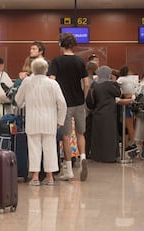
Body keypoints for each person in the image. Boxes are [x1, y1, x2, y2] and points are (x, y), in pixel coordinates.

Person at [14, 58, 67, 185]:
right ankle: (49, 177)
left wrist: (24, 104)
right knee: (50, 148)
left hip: (32, 121)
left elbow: (18, 100)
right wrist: (60, 120)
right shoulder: (53, 83)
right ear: (46, 70)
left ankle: (35, 177)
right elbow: (62, 103)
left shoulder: (26, 82)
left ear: (32, 69)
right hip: (50, 121)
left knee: (34, 148)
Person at [49, 32, 89, 181]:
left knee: (66, 136)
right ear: (74, 46)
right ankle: (83, 157)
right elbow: (86, 83)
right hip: (79, 102)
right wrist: (83, 98)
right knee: (80, 133)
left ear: (61, 44)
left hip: (64, 104)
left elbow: (52, 81)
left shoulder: (56, 61)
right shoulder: (79, 61)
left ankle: (69, 170)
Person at [86, 66, 123, 162]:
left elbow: (89, 100)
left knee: (98, 136)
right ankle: (109, 157)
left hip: (97, 113)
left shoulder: (94, 84)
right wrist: (115, 82)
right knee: (109, 136)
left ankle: (97, 156)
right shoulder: (109, 85)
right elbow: (118, 93)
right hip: (109, 114)